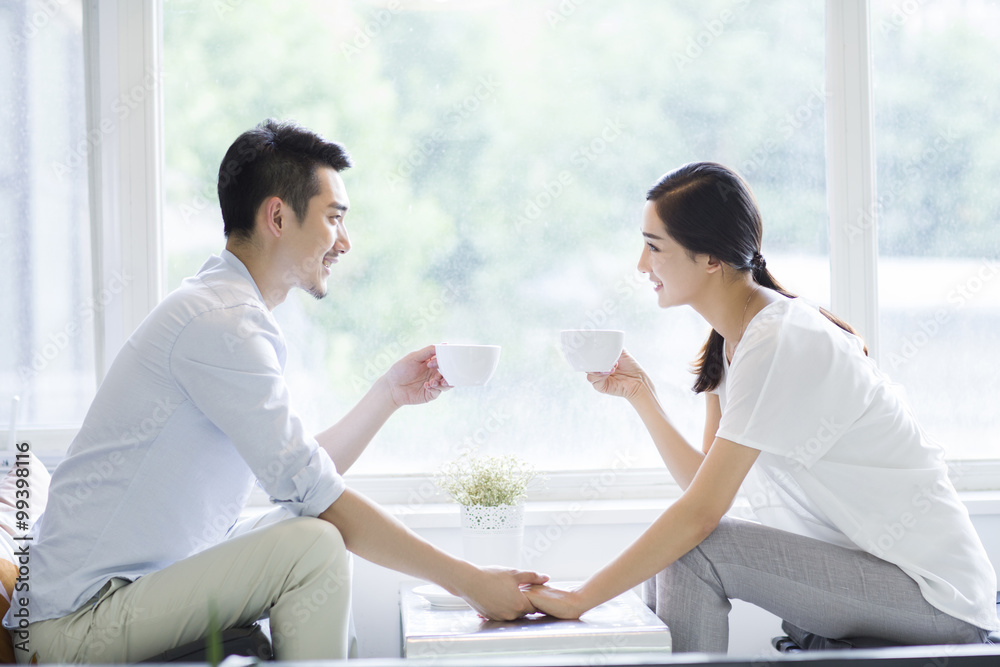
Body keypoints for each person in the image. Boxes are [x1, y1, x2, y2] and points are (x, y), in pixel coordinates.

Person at [5, 119, 546, 663]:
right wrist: (469, 580)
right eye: (335, 218)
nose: (345, 241)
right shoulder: (222, 321)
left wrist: (387, 394)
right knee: (312, 543)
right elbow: (313, 487)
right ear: (278, 216)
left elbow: (304, 479)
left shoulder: (224, 308)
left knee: (308, 526)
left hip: (113, 597)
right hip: (70, 624)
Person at [523, 162, 999, 652]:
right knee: (674, 551)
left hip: (937, 598)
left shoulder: (779, 337)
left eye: (654, 246)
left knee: (691, 550)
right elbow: (703, 487)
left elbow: (702, 514)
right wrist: (643, 396)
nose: (641, 265)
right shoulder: (734, 343)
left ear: (710, 258)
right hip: (882, 579)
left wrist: (580, 598)